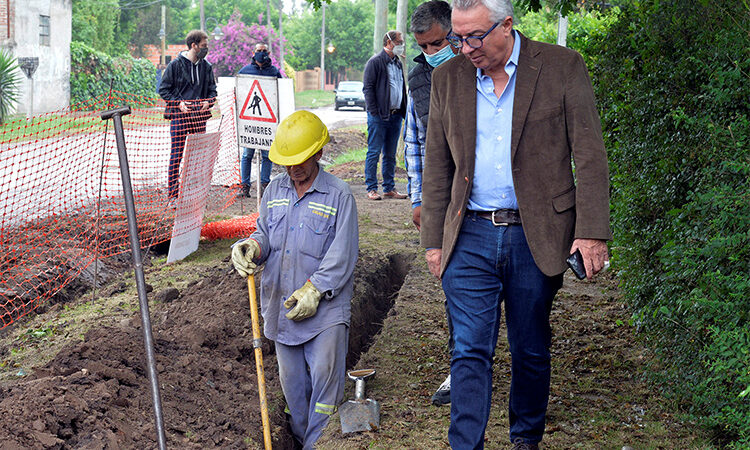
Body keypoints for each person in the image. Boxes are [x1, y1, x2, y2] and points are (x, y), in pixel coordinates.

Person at [421, 0, 612, 447]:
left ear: (507, 25)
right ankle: (465, 444)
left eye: (474, 37)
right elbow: (437, 165)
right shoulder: (447, 78)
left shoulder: (562, 66)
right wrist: (434, 240)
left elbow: (589, 155)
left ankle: (525, 439)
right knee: (468, 348)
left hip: (537, 233)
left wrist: (591, 232)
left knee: (529, 348)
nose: (464, 48)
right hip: (468, 233)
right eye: (458, 37)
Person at [230, 110, 358, 449]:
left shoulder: (339, 195)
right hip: (282, 307)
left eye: (300, 160)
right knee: (295, 394)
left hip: (325, 315)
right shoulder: (274, 190)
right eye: (287, 162)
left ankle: (319, 445)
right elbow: (265, 234)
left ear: (317, 153)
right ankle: (300, 439)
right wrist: (252, 247)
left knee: (324, 393)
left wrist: (314, 290)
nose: (293, 168)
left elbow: (342, 254)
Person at [402, 0, 458, 407]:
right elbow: (414, 137)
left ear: (453, 32)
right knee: (456, 286)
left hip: (493, 198)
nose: (430, 52)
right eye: (423, 46)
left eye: (437, 43)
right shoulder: (419, 77)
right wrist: (418, 197)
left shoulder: (479, 65)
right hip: (444, 199)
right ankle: (462, 370)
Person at [158, 30, 217, 201]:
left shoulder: (206, 67)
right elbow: (164, 90)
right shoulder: (175, 65)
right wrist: (179, 103)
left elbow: (212, 90)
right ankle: (173, 197)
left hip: (199, 119)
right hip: (179, 118)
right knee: (176, 156)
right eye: (204, 46)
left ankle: (194, 196)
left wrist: (209, 101)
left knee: (198, 159)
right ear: (194, 45)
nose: (206, 49)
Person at [362, 30, 408, 201]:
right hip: (379, 117)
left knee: (390, 154)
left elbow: (401, 88)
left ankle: (389, 188)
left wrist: (404, 111)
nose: (401, 45)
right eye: (399, 42)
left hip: (395, 116)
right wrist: (374, 112)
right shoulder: (375, 62)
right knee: (374, 152)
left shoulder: (397, 63)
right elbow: (368, 89)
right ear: (389, 42)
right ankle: (372, 188)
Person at [237, 43, 283, 198]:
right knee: (246, 155)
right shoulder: (245, 71)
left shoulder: (274, 72)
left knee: (267, 155)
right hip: (249, 121)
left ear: (269, 53)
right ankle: (245, 187)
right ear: (253, 52)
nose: (261, 54)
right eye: (258, 51)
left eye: (264, 51)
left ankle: (264, 186)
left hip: (267, 122)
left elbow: (281, 93)